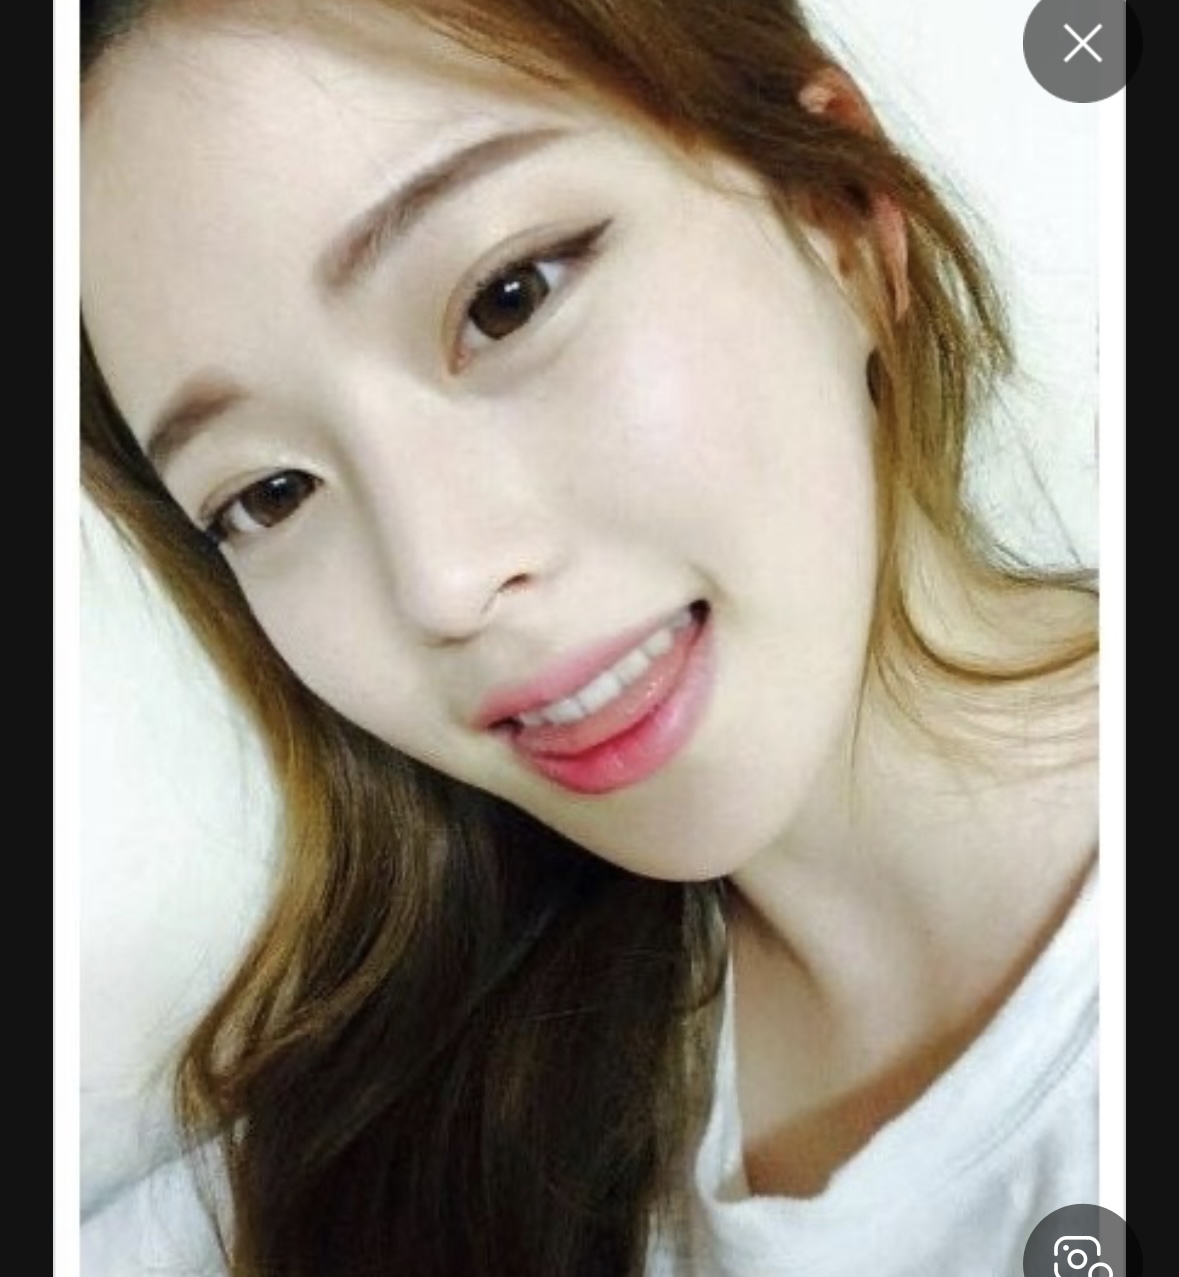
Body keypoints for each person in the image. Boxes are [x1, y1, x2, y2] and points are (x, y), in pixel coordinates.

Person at [78, 0, 1101, 1273]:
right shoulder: (409, 1119)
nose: (442, 583)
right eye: (269, 493)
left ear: (835, 220)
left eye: (506, 301)